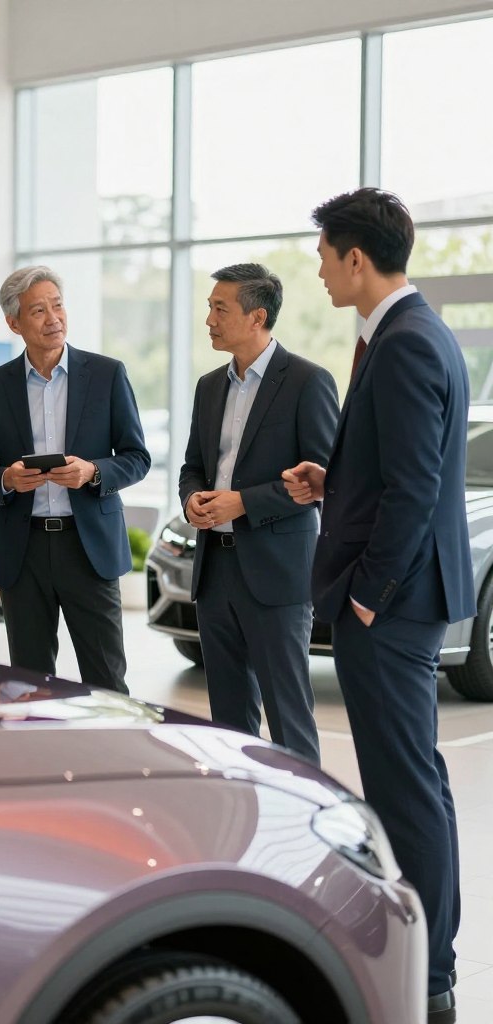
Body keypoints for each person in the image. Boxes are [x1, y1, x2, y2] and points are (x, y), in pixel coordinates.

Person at [283, 188, 472, 1024]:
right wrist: (337, 481)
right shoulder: (402, 334)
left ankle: (428, 975)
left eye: (324, 255)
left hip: (392, 605)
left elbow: (416, 490)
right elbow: (395, 474)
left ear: (357, 257)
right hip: (400, 598)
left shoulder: (404, 344)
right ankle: (428, 960)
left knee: (404, 788)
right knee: (412, 780)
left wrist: (365, 599)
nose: (319, 269)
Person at [0, 265, 149, 691]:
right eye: (38, 311)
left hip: (88, 550)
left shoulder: (106, 374)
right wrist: (6, 480)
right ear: (14, 322)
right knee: (28, 683)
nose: (53, 318)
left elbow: (138, 457)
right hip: (22, 551)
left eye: (58, 305)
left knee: (106, 681)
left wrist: (94, 471)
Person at [180, 264, 339, 764]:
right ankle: (239, 818)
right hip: (215, 570)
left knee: (289, 715)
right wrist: (193, 498)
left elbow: (325, 479)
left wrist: (244, 503)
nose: (208, 318)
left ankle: (308, 826)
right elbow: (192, 466)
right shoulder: (209, 386)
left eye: (219, 308)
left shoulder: (308, 382)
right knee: (228, 721)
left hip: (276, 573)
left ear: (257, 316)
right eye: (209, 306)